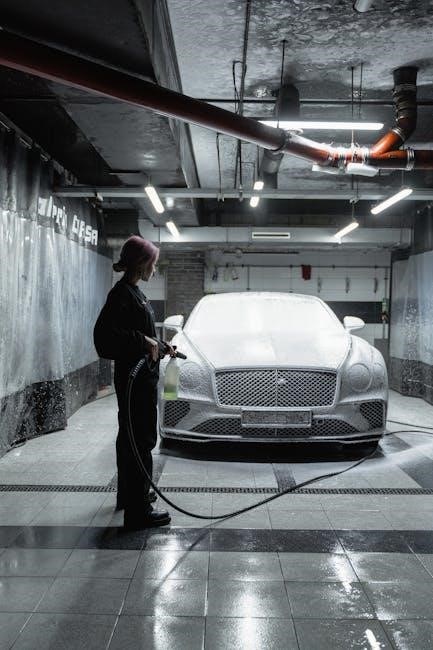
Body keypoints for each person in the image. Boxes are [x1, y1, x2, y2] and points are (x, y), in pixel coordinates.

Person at [94, 235, 176, 529]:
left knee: (132, 438)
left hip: (142, 381)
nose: (155, 268)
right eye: (153, 263)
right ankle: (137, 512)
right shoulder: (121, 294)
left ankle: (132, 495)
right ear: (141, 263)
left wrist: (162, 346)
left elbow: (141, 336)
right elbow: (104, 339)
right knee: (139, 441)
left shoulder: (135, 293)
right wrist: (143, 340)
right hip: (133, 384)